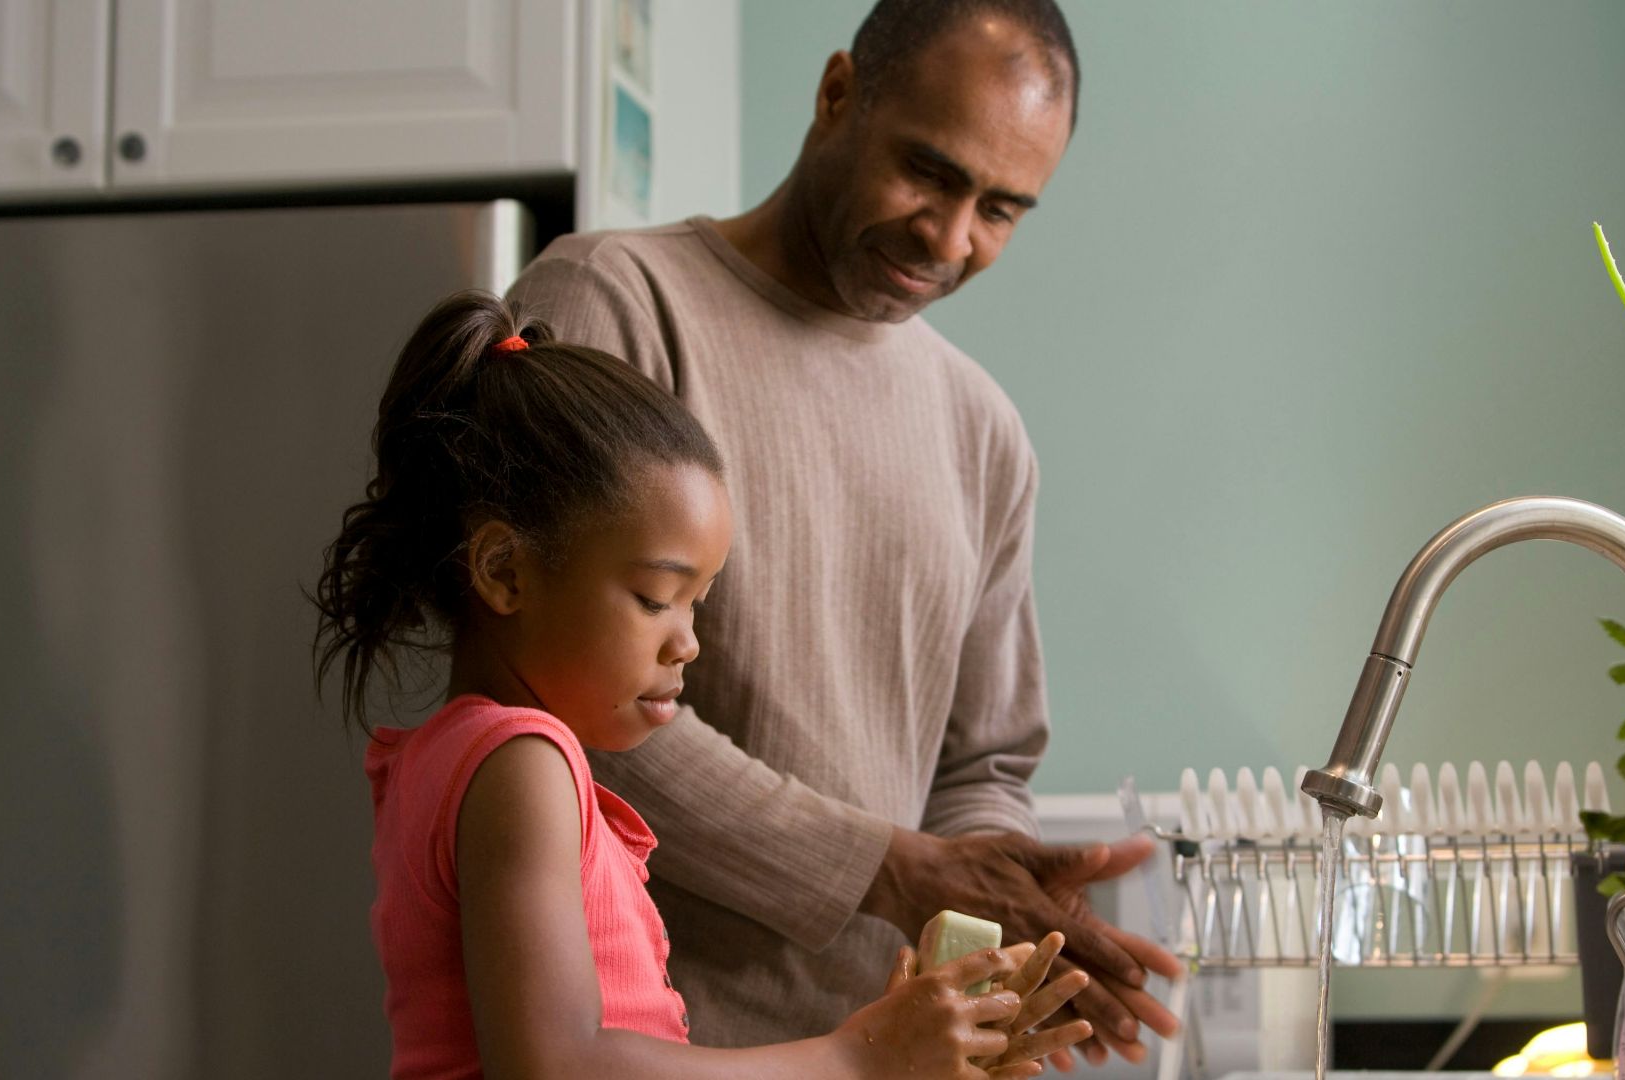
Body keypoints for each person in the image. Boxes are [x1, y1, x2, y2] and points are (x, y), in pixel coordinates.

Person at [505, 0, 1180, 1066]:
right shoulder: (614, 303)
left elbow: (983, 759)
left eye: (1002, 210)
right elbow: (551, 693)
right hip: (646, 1052)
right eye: (930, 172)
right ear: (836, 98)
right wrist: (890, 870)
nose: (951, 239)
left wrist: (1000, 908)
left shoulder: (983, 431)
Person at [313, 291, 1092, 1078]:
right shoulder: (521, 762)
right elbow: (559, 1064)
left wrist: (892, 1052)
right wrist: (856, 1056)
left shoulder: (461, 757)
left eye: (698, 603)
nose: (687, 643)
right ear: (504, 571)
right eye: (656, 598)